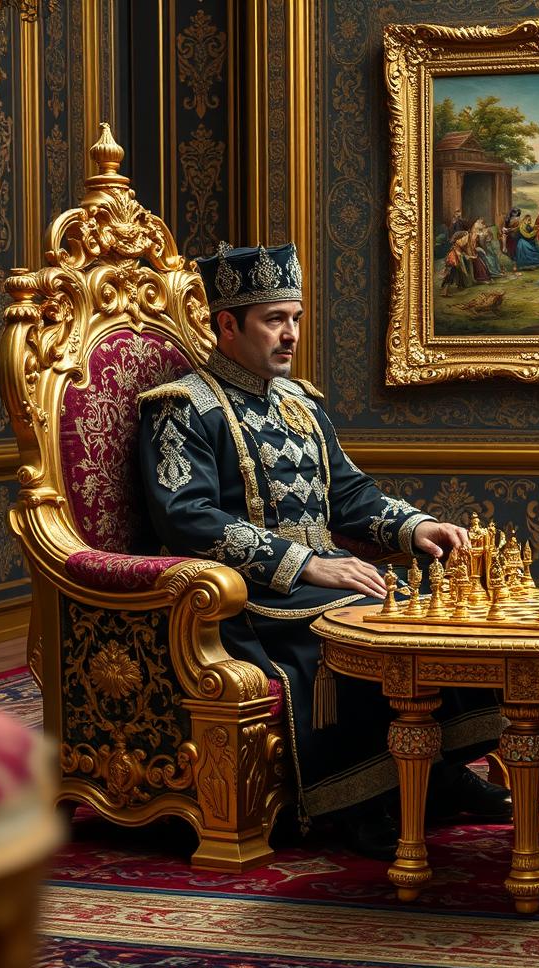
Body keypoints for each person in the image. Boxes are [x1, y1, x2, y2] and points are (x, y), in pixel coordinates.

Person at [137, 242, 509, 861]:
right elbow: (187, 517)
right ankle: (360, 800)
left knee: (433, 621)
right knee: (352, 640)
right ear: (227, 325)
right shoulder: (180, 408)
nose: (290, 335)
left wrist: (416, 527)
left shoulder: (300, 402)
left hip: (326, 577)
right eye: (274, 320)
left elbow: (351, 493)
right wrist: (307, 563)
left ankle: (437, 773)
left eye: (296, 319)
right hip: (243, 596)